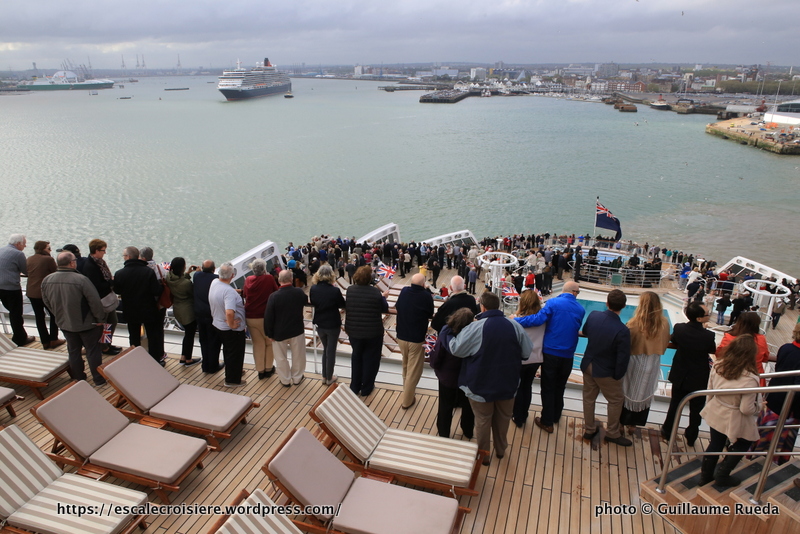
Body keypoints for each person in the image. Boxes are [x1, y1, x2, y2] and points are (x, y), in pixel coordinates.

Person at [449, 291, 532, 465]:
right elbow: (526, 353)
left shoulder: (475, 327)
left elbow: (457, 349)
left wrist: (447, 334)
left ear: (482, 306)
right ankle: (501, 451)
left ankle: (484, 456)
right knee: (503, 420)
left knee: (482, 421)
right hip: (508, 386)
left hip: (480, 386)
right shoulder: (515, 326)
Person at [514, 281, 585, 433]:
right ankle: (555, 416)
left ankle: (546, 421)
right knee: (560, 387)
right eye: (578, 292)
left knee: (547, 388)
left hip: (551, 353)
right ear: (573, 292)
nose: (577, 295)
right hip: (569, 355)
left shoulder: (553, 303)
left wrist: (515, 320)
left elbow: (537, 320)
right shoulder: (580, 309)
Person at [699, 334, 761, 487]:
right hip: (734, 414)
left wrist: (710, 407)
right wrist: (759, 406)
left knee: (715, 444)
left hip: (717, 408)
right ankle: (723, 474)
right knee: (746, 440)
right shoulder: (750, 378)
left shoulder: (718, 365)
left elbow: (710, 390)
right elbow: (746, 409)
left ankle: (705, 477)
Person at [41, 251, 106, 386]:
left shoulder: (47, 280)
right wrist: (100, 318)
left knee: (73, 350)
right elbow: (94, 301)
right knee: (93, 351)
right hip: (87, 323)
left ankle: (78, 378)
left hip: (65, 323)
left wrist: (58, 315)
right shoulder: (81, 280)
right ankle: (99, 380)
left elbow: (46, 302)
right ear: (72, 263)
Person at [580, 289, 632, 446]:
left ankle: (589, 430)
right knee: (616, 400)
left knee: (589, 398)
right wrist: (618, 375)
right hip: (605, 371)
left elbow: (586, 332)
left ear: (607, 303)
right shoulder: (622, 330)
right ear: (623, 306)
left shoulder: (594, 315)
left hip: (588, 364)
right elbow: (623, 358)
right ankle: (612, 433)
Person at [661, 301, 717, 446]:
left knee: (675, 405)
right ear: (699, 319)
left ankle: (667, 431)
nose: (709, 315)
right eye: (707, 314)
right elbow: (712, 349)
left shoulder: (679, 329)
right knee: (696, 409)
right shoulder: (708, 336)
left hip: (680, 374)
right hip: (698, 377)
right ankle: (691, 436)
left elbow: (673, 339)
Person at [620, 291, 671, 427]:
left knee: (628, 390)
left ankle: (622, 423)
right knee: (644, 393)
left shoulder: (634, 323)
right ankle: (634, 424)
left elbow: (625, 343)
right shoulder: (664, 323)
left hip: (634, 362)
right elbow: (665, 343)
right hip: (653, 362)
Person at [429, 308, 475, 439]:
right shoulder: (474, 336)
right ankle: (468, 431)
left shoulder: (445, 334)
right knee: (468, 406)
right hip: (467, 378)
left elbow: (437, 355)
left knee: (445, 406)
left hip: (447, 378)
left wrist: (435, 366)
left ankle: (444, 433)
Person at [114, 246, 164, 364]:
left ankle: (135, 360)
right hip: (148, 309)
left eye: (124, 256)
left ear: (128, 257)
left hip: (130, 310)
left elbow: (117, 290)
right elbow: (156, 291)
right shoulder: (148, 272)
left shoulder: (120, 273)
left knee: (134, 336)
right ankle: (155, 361)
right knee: (153, 336)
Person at [344, 266, 388, 397]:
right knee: (371, 360)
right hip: (373, 333)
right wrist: (383, 297)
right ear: (370, 279)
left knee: (356, 357)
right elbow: (384, 308)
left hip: (354, 331)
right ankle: (367, 388)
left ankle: (354, 386)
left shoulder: (350, 290)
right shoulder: (375, 292)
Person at [394, 273, 434, 409]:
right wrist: (426, 290)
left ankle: (407, 391)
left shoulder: (404, 291)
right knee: (414, 371)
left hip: (401, 336)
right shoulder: (426, 296)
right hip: (416, 339)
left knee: (405, 366)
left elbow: (398, 306)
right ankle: (407, 401)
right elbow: (430, 313)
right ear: (423, 284)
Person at [264, 270, 309, 387]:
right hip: (296, 330)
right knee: (298, 355)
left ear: (279, 281)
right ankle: (297, 378)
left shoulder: (273, 296)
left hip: (279, 332)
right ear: (292, 279)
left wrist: (269, 333)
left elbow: (268, 316)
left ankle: (285, 380)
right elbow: (305, 300)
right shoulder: (298, 292)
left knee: (280, 358)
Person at [510, 290, 545, 428]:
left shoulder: (517, 320)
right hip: (536, 358)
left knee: (518, 388)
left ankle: (518, 417)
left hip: (521, 358)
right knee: (527, 386)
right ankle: (523, 414)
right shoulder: (542, 319)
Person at [80, 239, 121, 355]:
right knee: (107, 323)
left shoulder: (98, 262)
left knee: (111, 322)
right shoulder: (91, 266)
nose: (105, 253)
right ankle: (104, 346)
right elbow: (97, 286)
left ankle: (107, 344)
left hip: (105, 298)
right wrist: (111, 283)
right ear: (96, 251)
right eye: (103, 250)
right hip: (101, 300)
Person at [209, 262, 246, 387]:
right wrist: (232, 325)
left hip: (218, 324)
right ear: (232, 275)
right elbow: (229, 312)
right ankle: (232, 380)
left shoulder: (215, 283)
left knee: (228, 351)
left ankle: (234, 371)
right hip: (231, 330)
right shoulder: (229, 292)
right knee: (235, 353)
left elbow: (223, 292)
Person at [242, 259, 279, 380]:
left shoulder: (248, 280)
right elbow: (276, 292)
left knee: (257, 344)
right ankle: (268, 369)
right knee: (269, 343)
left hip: (250, 316)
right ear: (264, 269)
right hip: (265, 317)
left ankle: (260, 371)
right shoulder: (268, 278)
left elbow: (245, 294)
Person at [309, 264, 345, 385]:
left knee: (325, 349)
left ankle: (324, 376)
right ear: (331, 275)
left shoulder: (313, 289)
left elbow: (314, 301)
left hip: (320, 323)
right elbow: (342, 304)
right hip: (332, 324)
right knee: (331, 351)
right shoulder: (335, 290)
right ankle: (329, 378)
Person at [716, 311, 771, 385]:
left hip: (730, 375)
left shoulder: (729, 337)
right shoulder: (761, 339)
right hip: (754, 378)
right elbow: (765, 358)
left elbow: (719, 354)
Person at [26, 240, 63, 349]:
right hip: (44, 293)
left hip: (31, 292)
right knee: (54, 314)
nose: (50, 250)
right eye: (49, 248)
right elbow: (56, 272)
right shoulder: (48, 259)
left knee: (39, 317)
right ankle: (53, 339)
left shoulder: (29, 259)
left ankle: (44, 341)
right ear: (43, 249)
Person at [0, 234, 33, 346]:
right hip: (11, 288)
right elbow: (26, 271)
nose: (25, 246)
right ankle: (20, 339)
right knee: (16, 314)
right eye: (24, 243)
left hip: (1, 287)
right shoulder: (18, 254)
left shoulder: (1, 249)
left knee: (11, 311)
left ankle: (21, 335)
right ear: (18, 244)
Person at [166, 257, 199, 365]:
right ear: (182, 267)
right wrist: (198, 275)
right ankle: (188, 359)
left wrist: (188, 273)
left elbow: (179, 280)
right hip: (187, 311)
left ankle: (183, 357)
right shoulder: (186, 284)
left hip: (177, 309)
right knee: (190, 335)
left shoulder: (169, 277)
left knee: (187, 334)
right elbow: (193, 292)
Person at [193, 260, 222, 373]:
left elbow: (199, 274)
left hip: (199, 313)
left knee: (203, 340)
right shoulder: (216, 279)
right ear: (214, 269)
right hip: (211, 314)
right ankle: (213, 366)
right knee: (214, 341)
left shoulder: (197, 275)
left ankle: (205, 365)